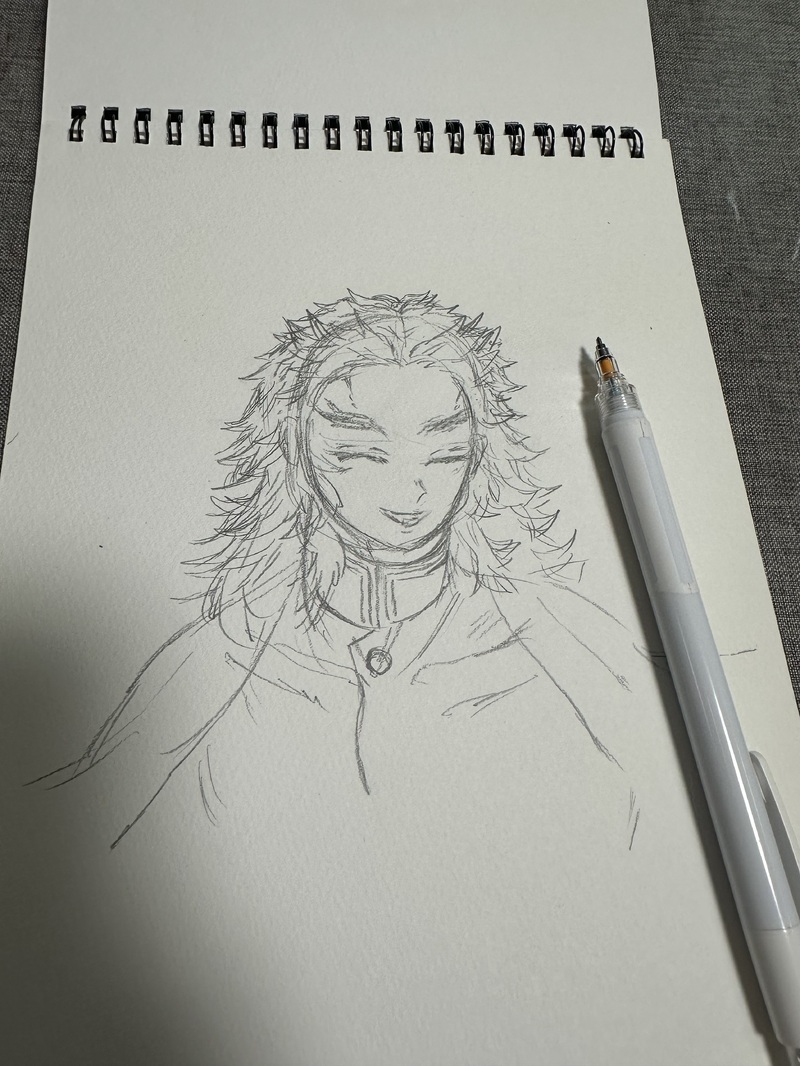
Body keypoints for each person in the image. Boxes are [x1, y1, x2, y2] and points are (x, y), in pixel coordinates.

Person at [44, 291, 639, 848]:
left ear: (481, 453)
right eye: (360, 452)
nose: (409, 489)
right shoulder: (228, 652)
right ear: (295, 448)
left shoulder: (560, 637)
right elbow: (57, 835)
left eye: (443, 452)